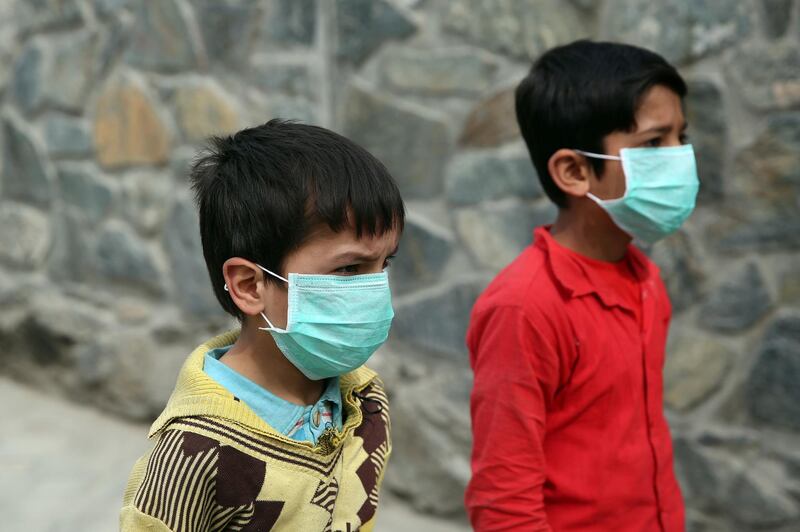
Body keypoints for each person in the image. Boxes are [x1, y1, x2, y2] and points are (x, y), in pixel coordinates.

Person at [120, 120, 404, 531]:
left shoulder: (364, 400)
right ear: (251, 286)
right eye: (348, 269)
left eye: (384, 265)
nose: (375, 289)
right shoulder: (192, 455)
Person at [465, 40, 697, 531]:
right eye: (654, 144)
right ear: (573, 171)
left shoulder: (644, 277)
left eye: (682, 136)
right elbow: (503, 502)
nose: (680, 157)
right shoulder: (525, 307)